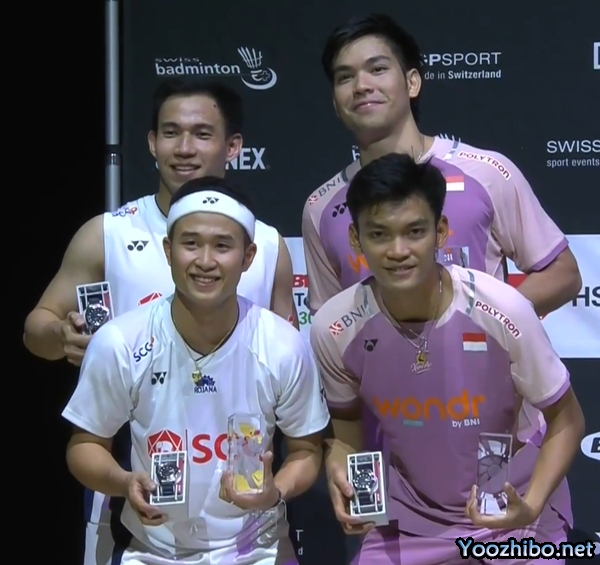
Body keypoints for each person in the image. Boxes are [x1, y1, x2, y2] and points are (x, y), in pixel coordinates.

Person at [23, 78, 297, 565]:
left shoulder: (268, 246)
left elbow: (290, 370)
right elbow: (36, 329)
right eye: (171, 133)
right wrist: (61, 336)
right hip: (133, 492)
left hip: (240, 509)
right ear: (152, 142)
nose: (184, 148)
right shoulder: (107, 234)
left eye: (202, 134)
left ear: (233, 146)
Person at [301, 12, 582, 487]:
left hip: (498, 434)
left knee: (504, 520)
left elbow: (564, 273)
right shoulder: (322, 208)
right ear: (335, 101)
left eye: (377, 69)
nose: (361, 85)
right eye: (345, 77)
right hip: (396, 448)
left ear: (412, 82)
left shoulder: (486, 172)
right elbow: (332, 327)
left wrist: (480, 321)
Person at [311, 153, 585, 565]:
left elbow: (567, 420)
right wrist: (341, 461)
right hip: (412, 521)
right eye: (379, 234)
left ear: (440, 232)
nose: (398, 251)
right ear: (356, 239)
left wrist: (530, 506)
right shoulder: (334, 327)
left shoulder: (503, 309)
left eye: (415, 231)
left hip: (512, 509)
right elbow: (347, 423)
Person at [62, 176, 330, 565]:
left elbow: (306, 449)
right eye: (190, 243)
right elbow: (85, 445)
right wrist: (124, 482)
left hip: (257, 550)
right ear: (168, 251)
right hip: (151, 552)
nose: (205, 261)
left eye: (222, 246)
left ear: (248, 256)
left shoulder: (282, 345)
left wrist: (275, 491)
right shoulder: (120, 341)